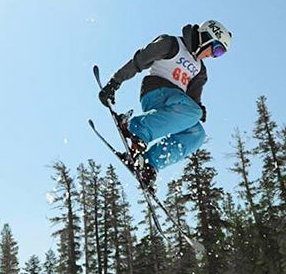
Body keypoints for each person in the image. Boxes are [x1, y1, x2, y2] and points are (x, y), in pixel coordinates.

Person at [98, 20, 232, 191]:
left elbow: (193, 99)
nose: (214, 55)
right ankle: (137, 128)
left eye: (219, 54)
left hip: (176, 107)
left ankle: (150, 163)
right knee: (194, 112)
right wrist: (115, 82)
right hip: (155, 93)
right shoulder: (172, 44)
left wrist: (200, 109)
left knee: (197, 134)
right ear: (206, 37)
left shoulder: (200, 70)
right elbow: (139, 60)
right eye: (217, 49)